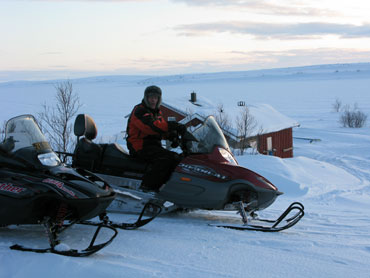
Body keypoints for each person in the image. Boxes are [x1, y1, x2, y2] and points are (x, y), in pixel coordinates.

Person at [126, 85, 186, 191]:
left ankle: (165, 186)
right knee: (166, 159)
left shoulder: (157, 112)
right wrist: (172, 125)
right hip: (139, 145)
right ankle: (147, 187)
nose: (153, 100)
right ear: (146, 98)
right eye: (150, 97)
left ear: (159, 99)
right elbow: (150, 127)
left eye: (155, 97)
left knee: (177, 158)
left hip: (152, 145)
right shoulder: (140, 110)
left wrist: (171, 136)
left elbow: (159, 131)